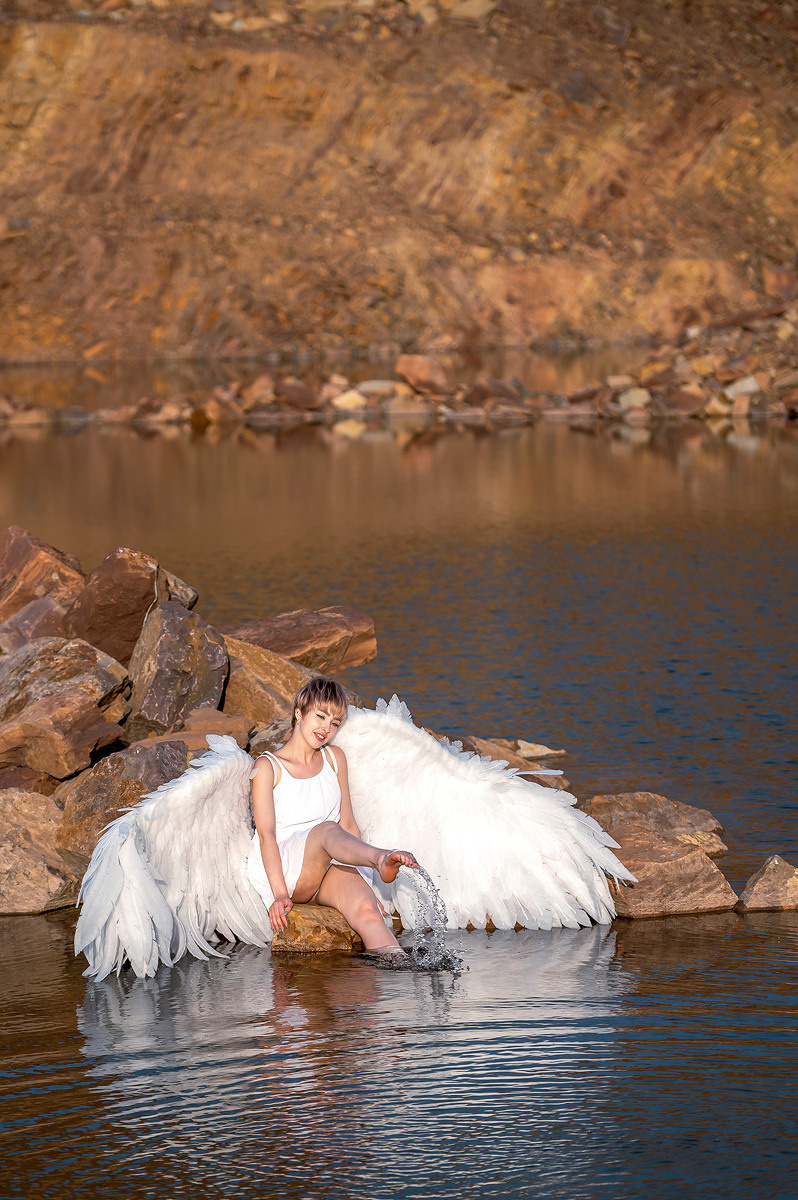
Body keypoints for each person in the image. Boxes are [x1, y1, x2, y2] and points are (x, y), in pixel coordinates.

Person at [246, 675, 418, 959]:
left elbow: (347, 825)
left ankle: (398, 969)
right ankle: (380, 858)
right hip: (289, 871)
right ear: (299, 712)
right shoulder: (268, 766)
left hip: (328, 867)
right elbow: (266, 836)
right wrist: (279, 894)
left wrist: (365, 886)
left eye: (335, 723)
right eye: (321, 716)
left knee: (368, 912)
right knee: (326, 830)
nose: (326, 728)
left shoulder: (335, 758)